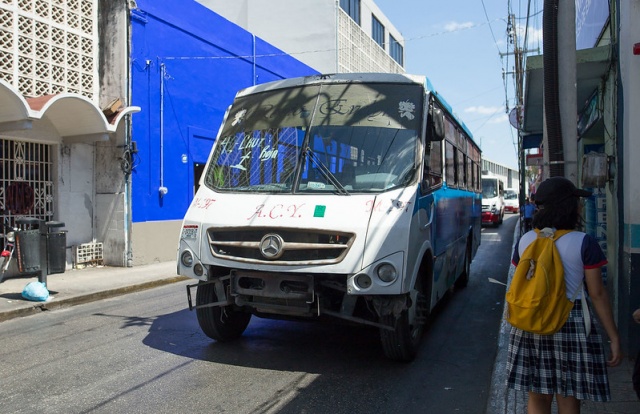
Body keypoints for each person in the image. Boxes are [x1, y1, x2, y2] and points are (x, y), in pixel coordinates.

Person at [506, 176, 622, 414]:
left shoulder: (525, 241)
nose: (580, 206)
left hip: (531, 323)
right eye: (576, 201)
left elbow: (521, 283)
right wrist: (614, 337)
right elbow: (598, 294)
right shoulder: (584, 243)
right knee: (569, 398)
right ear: (568, 207)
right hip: (572, 322)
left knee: (537, 397)